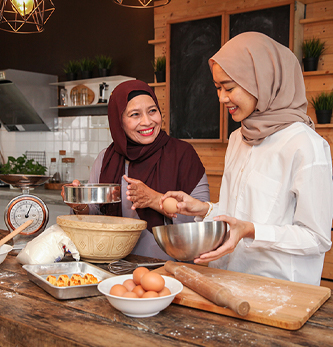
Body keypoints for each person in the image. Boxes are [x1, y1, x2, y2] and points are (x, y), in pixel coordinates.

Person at [160, 32, 333, 285]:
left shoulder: (306, 145)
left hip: (279, 290)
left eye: (229, 87)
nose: (221, 98)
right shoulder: (238, 138)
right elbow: (242, 210)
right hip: (227, 280)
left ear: (261, 81)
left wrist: (252, 231)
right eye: (217, 88)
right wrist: (204, 209)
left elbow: (317, 238)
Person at [62, 80, 210, 260]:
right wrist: (81, 205)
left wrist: (154, 199)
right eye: (135, 114)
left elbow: (202, 217)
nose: (147, 121)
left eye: (152, 111)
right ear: (119, 121)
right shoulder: (105, 159)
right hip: (113, 264)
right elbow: (95, 216)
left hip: (170, 269)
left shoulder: (182, 155)